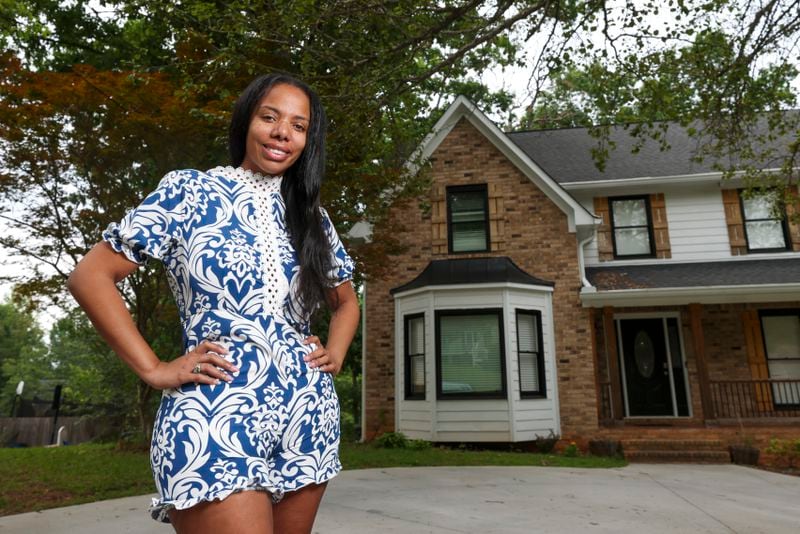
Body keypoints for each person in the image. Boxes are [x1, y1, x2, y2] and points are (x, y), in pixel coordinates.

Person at [68, 73, 360, 534]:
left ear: (309, 140)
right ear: (247, 121)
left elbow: (346, 302)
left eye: (299, 126)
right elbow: (91, 276)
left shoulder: (313, 219)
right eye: (270, 117)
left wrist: (336, 355)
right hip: (213, 413)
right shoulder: (190, 192)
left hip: (307, 416)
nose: (283, 132)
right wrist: (154, 368)